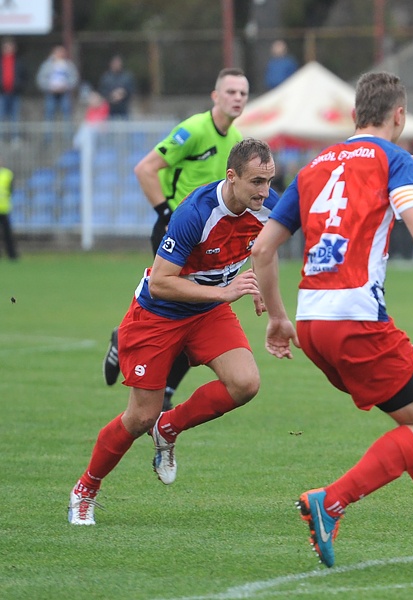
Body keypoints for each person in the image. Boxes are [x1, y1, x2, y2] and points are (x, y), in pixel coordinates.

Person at [251, 71, 413, 567]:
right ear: (400, 116)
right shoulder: (393, 159)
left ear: (353, 115)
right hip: (356, 319)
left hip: (311, 323)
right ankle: (331, 502)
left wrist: (277, 319)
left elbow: (264, 248)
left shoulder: (313, 167)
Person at [68, 139, 279, 525]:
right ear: (231, 177)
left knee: (245, 382)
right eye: (256, 182)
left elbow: (267, 247)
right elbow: (161, 283)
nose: (264, 191)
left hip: (208, 311)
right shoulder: (194, 213)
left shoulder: (266, 206)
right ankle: (85, 489)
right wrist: (224, 291)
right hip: (158, 315)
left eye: (268, 181)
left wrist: (262, 287)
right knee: (139, 418)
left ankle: (171, 425)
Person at [102, 68, 249, 413]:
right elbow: (145, 168)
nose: (237, 98)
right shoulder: (194, 129)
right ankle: (147, 369)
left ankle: (143, 364)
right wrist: (165, 214)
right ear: (215, 96)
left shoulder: (238, 138)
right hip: (177, 232)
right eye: (230, 92)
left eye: (243, 93)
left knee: (198, 312)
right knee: (184, 307)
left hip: (206, 240)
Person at [36, 45, 79, 120]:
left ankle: (68, 132)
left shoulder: (68, 65)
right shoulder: (47, 65)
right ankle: (48, 132)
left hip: (65, 92)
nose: (60, 54)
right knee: (49, 114)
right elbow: (41, 78)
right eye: (58, 52)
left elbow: (74, 77)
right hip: (50, 93)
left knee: (67, 114)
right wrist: (49, 87)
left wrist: (67, 86)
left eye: (62, 52)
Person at [0, 38, 26, 137]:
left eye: (10, 47)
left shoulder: (19, 62)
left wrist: (19, 86)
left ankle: (15, 137)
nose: (8, 50)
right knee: (1, 116)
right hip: (2, 93)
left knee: (15, 117)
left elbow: (24, 76)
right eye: (6, 47)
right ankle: (1, 137)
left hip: (15, 93)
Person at [98, 54, 136, 119]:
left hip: (123, 108)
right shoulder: (106, 77)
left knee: (127, 127)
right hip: (110, 109)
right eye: (115, 63)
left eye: (118, 63)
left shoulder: (127, 77)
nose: (117, 65)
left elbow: (132, 90)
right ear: (111, 64)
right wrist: (112, 95)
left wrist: (123, 93)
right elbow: (102, 92)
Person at [0, 153, 18, 260]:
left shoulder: (8, 174)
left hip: (4, 208)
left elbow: (11, 190)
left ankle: (12, 255)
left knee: (7, 234)